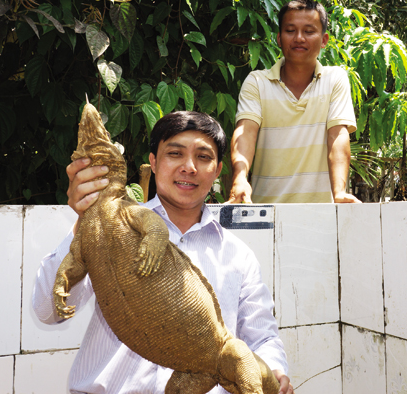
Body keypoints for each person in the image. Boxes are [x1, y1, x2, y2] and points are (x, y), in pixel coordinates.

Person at [32, 111, 293, 394]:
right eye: (175, 153)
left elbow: (262, 337)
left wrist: (274, 371)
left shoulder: (237, 255)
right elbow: (46, 312)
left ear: (218, 171)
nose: (189, 167)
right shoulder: (114, 225)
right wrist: (86, 217)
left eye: (203, 157)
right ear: (153, 163)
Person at [228, 0, 361, 204]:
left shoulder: (335, 79)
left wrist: (339, 192)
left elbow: (338, 136)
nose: (299, 38)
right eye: (290, 30)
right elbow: (246, 132)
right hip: (265, 216)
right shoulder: (257, 82)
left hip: (321, 215)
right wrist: (240, 178)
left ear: (324, 40)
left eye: (309, 31)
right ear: (279, 39)